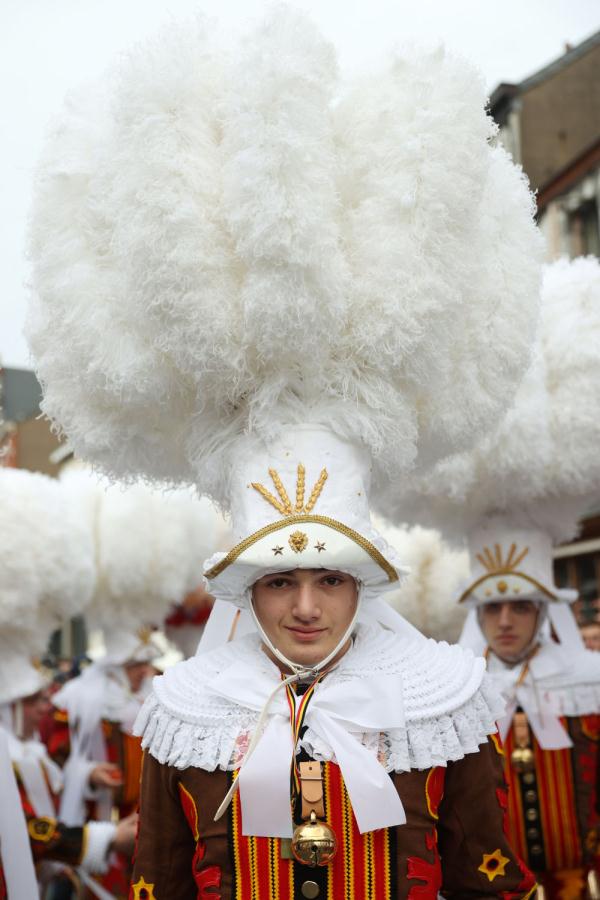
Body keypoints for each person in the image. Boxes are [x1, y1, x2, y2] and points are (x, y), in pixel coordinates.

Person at [26, 7, 544, 897]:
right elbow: (160, 882)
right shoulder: (185, 713)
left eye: (330, 577)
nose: (305, 606)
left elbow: (484, 876)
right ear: (244, 586)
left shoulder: (444, 704)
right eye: (278, 579)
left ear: (364, 581)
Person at [458, 521, 600, 900]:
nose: (505, 621)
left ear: (542, 613)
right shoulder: (453, 695)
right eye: (492, 607)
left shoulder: (589, 685)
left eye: (520, 606)